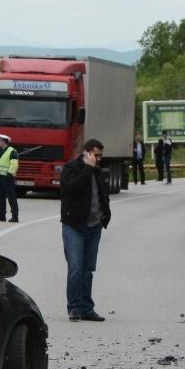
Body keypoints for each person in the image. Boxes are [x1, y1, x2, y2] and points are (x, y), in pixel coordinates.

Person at [60, 138, 111, 322]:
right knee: (75, 268)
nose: (99, 159)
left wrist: (105, 215)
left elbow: (103, 194)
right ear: (87, 153)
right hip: (74, 226)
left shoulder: (98, 171)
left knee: (88, 269)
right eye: (96, 155)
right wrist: (88, 169)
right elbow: (73, 189)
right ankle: (74, 308)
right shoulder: (71, 168)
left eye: (101, 156)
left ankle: (86, 308)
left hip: (94, 226)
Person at [0, 133, 19, 223]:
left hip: (8, 177)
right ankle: (2, 215)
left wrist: (9, 174)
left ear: (4, 142)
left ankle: (15, 216)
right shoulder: (0, 151)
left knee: (11, 197)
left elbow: (14, 164)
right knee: (1, 197)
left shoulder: (12, 151)